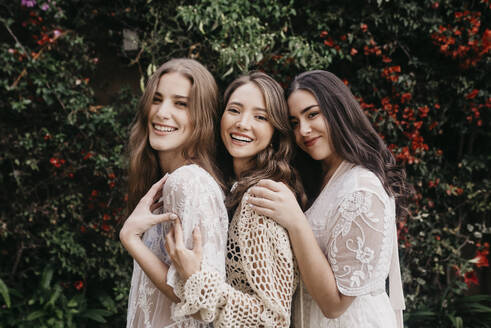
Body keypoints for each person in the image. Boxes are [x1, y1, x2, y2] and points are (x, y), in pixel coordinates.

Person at [247, 70, 410, 328]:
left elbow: (335, 304)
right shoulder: (323, 178)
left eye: (312, 114)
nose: (304, 130)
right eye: (294, 122)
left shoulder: (361, 188)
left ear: (338, 111)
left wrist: (296, 222)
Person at [165, 71, 304, 327]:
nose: (242, 123)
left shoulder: (259, 201)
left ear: (276, 131)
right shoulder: (234, 188)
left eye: (260, 117)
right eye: (234, 110)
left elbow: (273, 319)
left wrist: (195, 277)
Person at [119, 58, 229, 328]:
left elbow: (202, 301)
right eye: (157, 100)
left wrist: (130, 238)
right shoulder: (171, 181)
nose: (161, 113)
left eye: (181, 104)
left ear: (202, 116)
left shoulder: (187, 181)